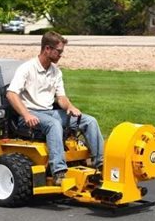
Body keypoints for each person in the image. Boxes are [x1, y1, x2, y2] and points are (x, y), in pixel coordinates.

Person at [6, 31, 104, 185]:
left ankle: (101, 163)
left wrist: (71, 107)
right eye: (59, 51)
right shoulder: (27, 68)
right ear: (47, 49)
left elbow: (61, 98)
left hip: (50, 113)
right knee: (54, 125)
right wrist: (26, 115)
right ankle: (58, 171)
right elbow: (11, 94)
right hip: (30, 114)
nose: (60, 55)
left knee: (89, 121)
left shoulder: (56, 72)